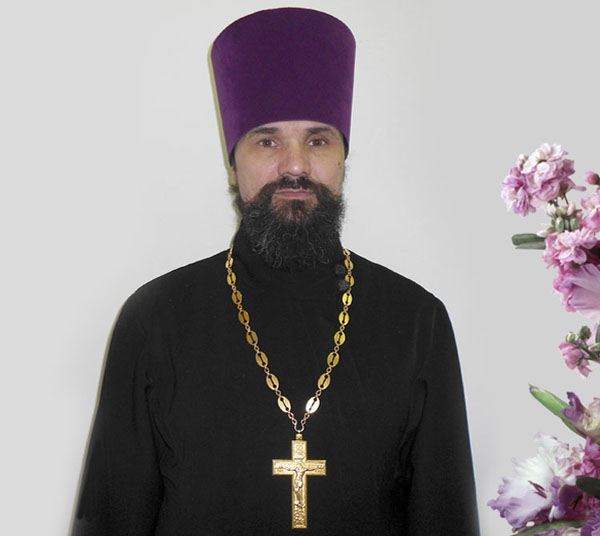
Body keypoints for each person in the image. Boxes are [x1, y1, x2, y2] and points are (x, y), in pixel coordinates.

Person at [72, 8, 479, 535]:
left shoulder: (416, 321)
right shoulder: (154, 320)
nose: (295, 165)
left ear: (343, 157)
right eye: (267, 141)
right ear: (233, 162)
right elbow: (108, 521)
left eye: (318, 140)